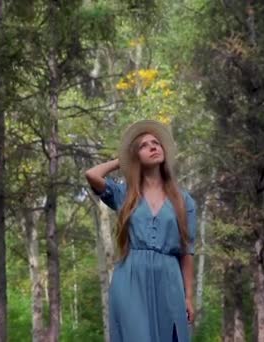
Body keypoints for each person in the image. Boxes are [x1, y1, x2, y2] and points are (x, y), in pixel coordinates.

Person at [84, 119, 198, 342]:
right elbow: (92, 175)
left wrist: (188, 296)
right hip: (130, 278)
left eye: (156, 143)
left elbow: (187, 252)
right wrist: (123, 160)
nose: (153, 146)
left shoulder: (184, 201)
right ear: (136, 156)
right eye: (144, 145)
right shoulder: (124, 194)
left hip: (169, 278)